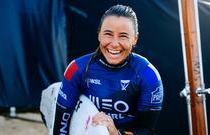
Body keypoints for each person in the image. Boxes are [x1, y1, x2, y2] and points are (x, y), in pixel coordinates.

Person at [53, 4, 163, 135]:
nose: (115, 43)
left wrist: (116, 133)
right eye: (108, 34)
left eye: (123, 36)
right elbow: (61, 127)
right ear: (99, 35)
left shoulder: (148, 75)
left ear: (135, 39)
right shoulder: (76, 69)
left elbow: (146, 131)